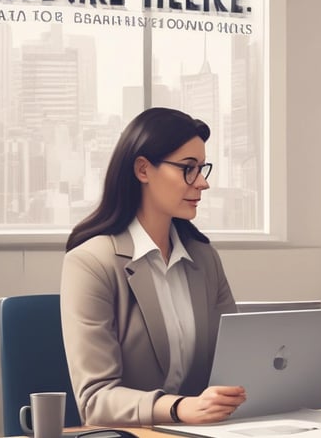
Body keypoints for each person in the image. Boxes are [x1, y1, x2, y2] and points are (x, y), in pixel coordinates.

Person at [61, 107, 246, 426]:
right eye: (188, 168)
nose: (202, 183)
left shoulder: (204, 258)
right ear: (143, 170)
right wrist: (178, 408)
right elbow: (94, 400)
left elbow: (233, 362)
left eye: (202, 168)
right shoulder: (90, 262)